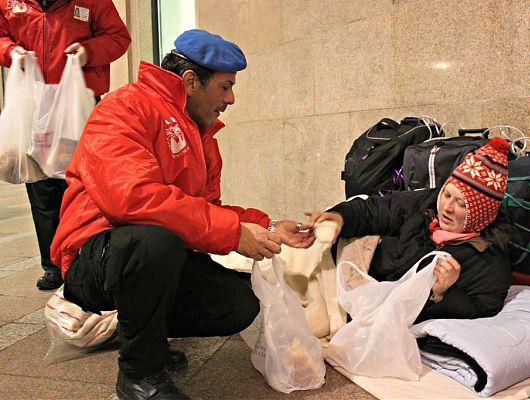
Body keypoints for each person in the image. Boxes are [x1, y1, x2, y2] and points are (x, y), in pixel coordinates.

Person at [50, 29, 315, 400]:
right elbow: (132, 198)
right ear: (191, 81)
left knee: (237, 304)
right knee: (154, 241)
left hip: (149, 253)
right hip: (96, 254)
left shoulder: (201, 135)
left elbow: (207, 210)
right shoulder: (123, 108)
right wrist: (234, 233)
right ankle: (140, 374)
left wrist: (268, 225)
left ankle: (143, 333)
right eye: (225, 87)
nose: (231, 99)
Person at [0, 0, 131, 290]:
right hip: (35, 106)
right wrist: (10, 51)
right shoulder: (9, 4)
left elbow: (118, 37)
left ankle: (86, 261)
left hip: (78, 104)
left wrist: (88, 52)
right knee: (42, 188)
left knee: (83, 187)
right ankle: (53, 265)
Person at [309, 137, 514, 323]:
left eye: (461, 204)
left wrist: (441, 293)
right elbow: (379, 209)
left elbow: (482, 308)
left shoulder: (488, 261)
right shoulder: (426, 204)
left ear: (480, 214)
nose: (447, 207)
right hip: (356, 285)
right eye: (447, 195)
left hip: (384, 313)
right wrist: (341, 216)